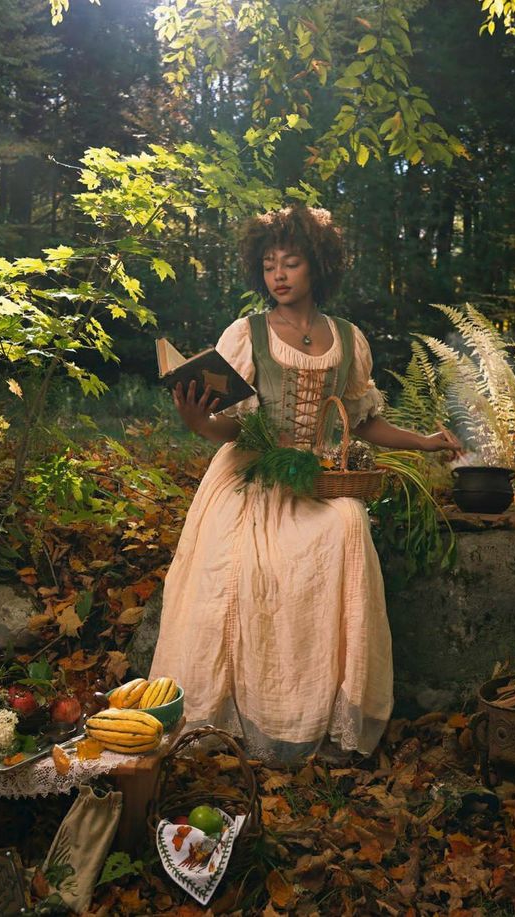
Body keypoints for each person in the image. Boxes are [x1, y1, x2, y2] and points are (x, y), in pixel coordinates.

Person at [149, 206, 461, 763]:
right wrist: (199, 424)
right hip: (252, 477)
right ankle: (237, 715)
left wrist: (426, 442)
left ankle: (323, 708)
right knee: (241, 565)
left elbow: (363, 423)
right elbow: (231, 424)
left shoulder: (348, 338)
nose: (279, 275)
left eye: (290, 262)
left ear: (316, 266)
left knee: (347, 522)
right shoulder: (246, 334)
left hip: (320, 479)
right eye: (269, 265)